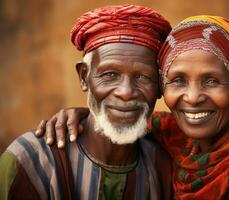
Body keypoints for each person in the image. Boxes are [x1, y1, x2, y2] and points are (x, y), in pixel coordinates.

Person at [36, 15, 229, 199]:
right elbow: (127, 116)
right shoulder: (175, 135)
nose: (193, 97)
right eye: (178, 80)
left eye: (212, 80)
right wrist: (88, 114)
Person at [0, 4, 173, 200]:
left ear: (160, 86)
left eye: (143, 77)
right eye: (110, 75)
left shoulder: (164, 166)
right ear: (84, 77)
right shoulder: (29, 163)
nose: (126, 92)